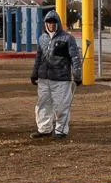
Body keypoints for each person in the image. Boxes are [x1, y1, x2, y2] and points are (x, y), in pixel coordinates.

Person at [30, 10, 82, 141]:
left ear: (58, 23)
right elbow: (38, 57)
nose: (51, 25)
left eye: (54, 22)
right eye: (49, 22)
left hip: (61, 79)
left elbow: (75, 57)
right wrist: (34, 73)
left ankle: (61, 131)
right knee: (42, 105)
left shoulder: (67, 38)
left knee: (61, 105)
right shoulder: (42, 38)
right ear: (45, 24)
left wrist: (77, 74)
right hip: (44, 78)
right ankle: (44, 129)